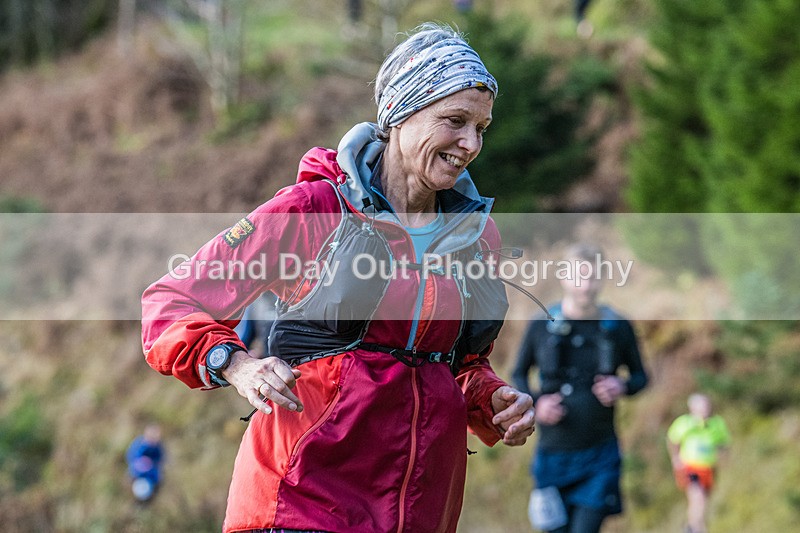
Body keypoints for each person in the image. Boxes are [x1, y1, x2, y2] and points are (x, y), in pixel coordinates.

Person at [142, 23, 535, 533]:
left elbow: (457, 364)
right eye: (455, 121)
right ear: (401, 114)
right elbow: (170, 302)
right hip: (302, 502)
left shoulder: (476, 238)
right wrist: (235, 363)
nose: (470, 143)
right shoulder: (315, 210)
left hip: (421, 511)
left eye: (481, 128)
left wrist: (492, 400)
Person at [512, 243, 648, 533]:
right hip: (551, 458)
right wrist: (536, 403)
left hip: (600, 455)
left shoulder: (617, 326)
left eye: (593, 277)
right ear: (564, 276)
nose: (585, 286)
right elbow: (518, 374)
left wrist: (620, 385)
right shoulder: (541, 325)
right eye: (578, 276)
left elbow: (640, 377)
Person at [667, 393, 730, 533]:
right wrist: (675, 459)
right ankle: (697, 529)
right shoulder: (685, 422)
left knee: (703, 501)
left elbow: (723, 443)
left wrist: (724, 458)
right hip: (690, 467)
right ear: (692, 408)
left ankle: (692, 527)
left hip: (708, 468)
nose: (705, 410)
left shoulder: (717, 423)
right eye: (701, 407)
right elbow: (672, 440)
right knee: (698, 498)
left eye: (707, 407)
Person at [126, 424, 164, 503]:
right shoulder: (139, 445)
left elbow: (159, 461)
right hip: (138, 476)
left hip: (151, 478)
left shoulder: (158, 448)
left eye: (155, 437)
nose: (153, 440)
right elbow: (131, 457)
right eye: (151, 437)